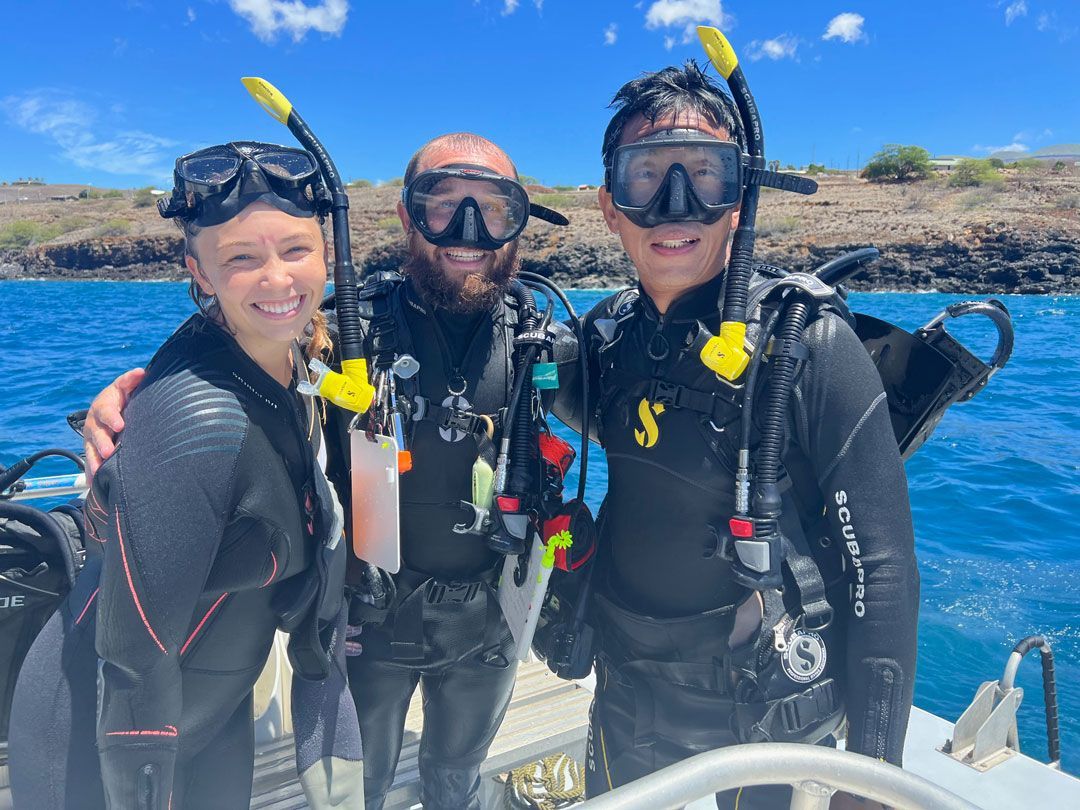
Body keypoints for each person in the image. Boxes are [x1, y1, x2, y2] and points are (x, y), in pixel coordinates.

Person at [82, 132, 577, 810]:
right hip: (369, 620)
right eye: (442, 207)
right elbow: (242, 358)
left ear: (520, 222)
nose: (469, 232)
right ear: (407, 217)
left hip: (490, 618)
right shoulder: (347, 333)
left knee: (457, 777)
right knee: (358, 790)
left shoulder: (544, 340)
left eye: (493, 209)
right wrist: (133, 402)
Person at [550, 63, 919, 809]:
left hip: (764, 701)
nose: (674, 206)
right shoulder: (604, 340)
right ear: (608, 207)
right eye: (646, 177)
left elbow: (881, 569)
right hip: (627, 682)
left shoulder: (806, 345)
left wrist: (874, 776)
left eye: (706, 176)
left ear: (740, 199)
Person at [11, 142, 363, 810]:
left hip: (213, 714)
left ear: (327, 255)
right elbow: (133, 663)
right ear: (198, 271)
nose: (278, 280)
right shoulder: (196, 423)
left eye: (295, 250)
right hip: (108, 737)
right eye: (241, 258)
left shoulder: (308, 362)